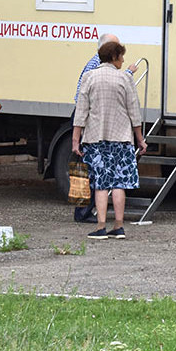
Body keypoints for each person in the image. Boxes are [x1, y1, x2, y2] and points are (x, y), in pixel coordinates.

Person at [72, 40, 147, 240]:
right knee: (119, 183)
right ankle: (119, 226)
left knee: (101, 184)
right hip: (122, 139)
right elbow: (134, 113)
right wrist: (140, 139)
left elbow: (81, 112)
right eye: (121, 56)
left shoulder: (89, 77)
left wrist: (75, 140)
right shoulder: (125, 79)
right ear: (114, 57)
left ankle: (101, 227)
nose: (123, 60)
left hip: (96, 139)